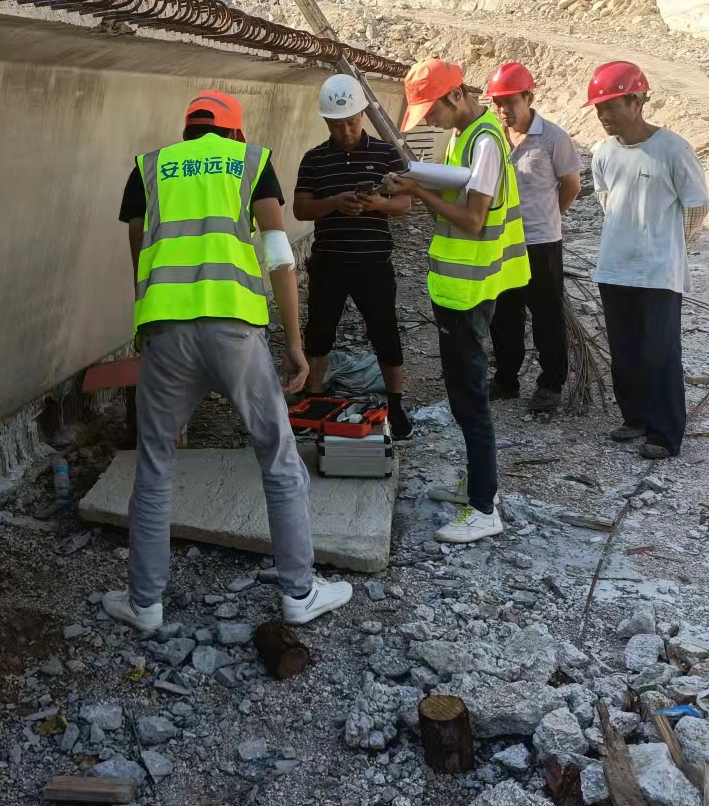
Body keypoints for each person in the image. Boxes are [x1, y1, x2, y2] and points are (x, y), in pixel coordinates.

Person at [108, 90, 354, 628]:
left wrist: (145, 328)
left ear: (188, 129)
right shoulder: (250, 162)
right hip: (235, 333)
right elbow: (280, 259)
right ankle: (299, 593)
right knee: (278, 457)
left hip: (167, 333)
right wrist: (294, 342)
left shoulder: (149, 168)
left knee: (154, 464)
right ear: (235, 132)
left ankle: (145, 603)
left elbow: (140, 259)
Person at [381, 59, 529, 544]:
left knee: (469, 396)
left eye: (433, 111)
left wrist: (417, 190)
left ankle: (484, 507)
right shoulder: (468, 135)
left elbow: (472, 220)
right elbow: (460, 192)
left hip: (468, 289)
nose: (430, 120)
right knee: (464, 391)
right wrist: (421, 180)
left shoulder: (484, 142)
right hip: (459, 285)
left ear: (456, 96)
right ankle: (479, 483)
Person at [586, 62, 709, 460]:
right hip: (614, 267)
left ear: (637, 102)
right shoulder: (603, 154)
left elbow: (696, 206)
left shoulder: (672, 149)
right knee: (624, 350)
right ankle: (635, 417)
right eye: (599, 108)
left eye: (612, 106)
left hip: (658, 272)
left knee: (660, 352)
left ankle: (664, 433)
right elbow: (606, 200)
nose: (604, 116)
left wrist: (671, 246)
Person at [293, 74, 415, 439]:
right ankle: (314, 398)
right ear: (325, 121)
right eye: (337, 124)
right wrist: (334, 202)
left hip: (373, 261)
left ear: (362, 114)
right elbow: (300, 209)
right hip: (329, 260)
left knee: (384, 331)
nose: (345, 131)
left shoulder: (386, 154)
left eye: (351, 122)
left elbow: (405, 203)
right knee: (319, 331)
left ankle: (396, 404)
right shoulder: (314, 159)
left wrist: (377, 204)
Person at [484, 62, 583, 414]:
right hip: (504, 242)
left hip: (542, 242)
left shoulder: (554, 138)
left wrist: (549, 216)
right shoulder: (493, 136)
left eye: (510, 101)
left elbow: (572, 186)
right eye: (498, 102)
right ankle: (506, 380)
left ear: (529, 97)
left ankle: (551, 384)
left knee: (546, 316)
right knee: (504, 316)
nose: (503, 110)